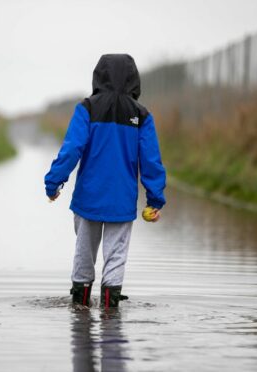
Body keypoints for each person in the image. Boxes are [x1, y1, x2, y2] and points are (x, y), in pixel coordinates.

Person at [44, 54, 166, 309]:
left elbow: (71, 150)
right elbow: (151, 161)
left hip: (88, 197)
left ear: (98, 76)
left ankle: (80, 313)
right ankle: (111, 320)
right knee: (116, 258)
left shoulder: (87, 108)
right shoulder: (142, 115)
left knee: (83, 256)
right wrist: (155, 200)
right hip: (121, 202)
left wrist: (53, 182)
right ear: (134, 79)